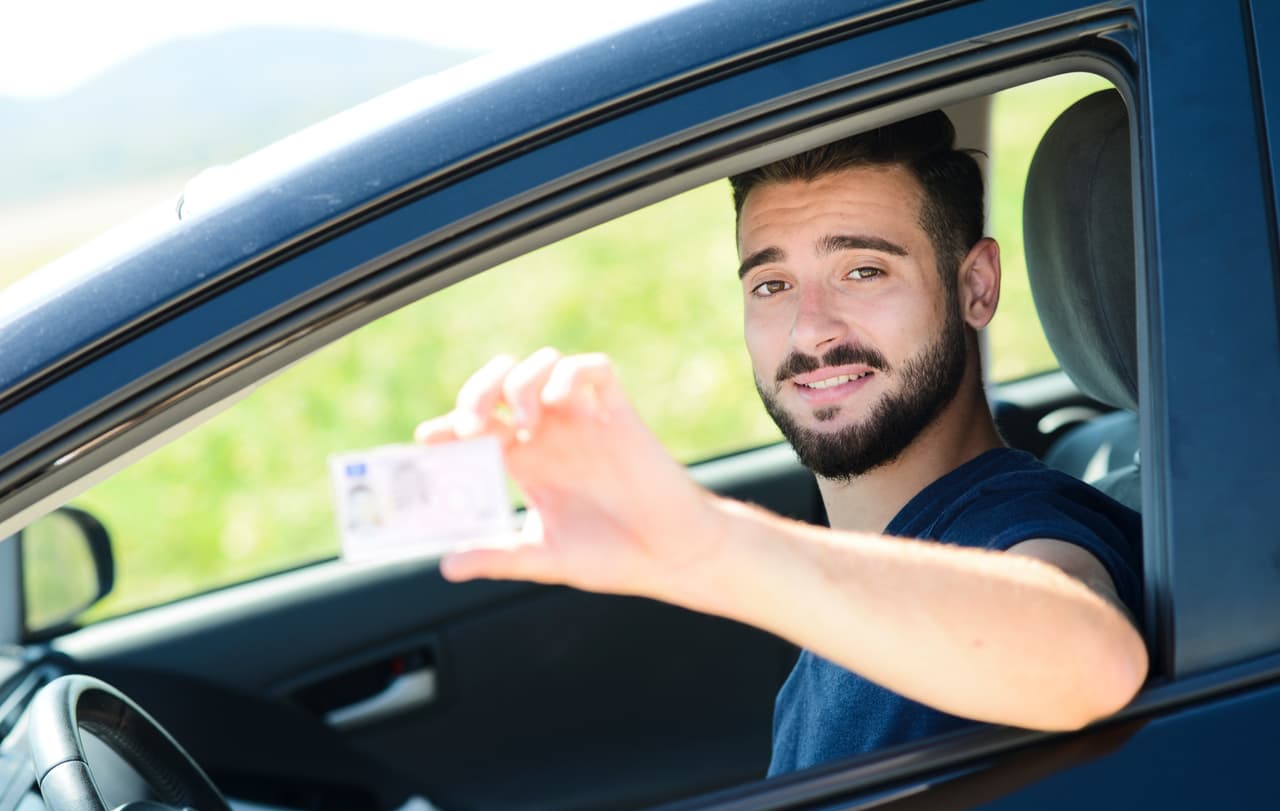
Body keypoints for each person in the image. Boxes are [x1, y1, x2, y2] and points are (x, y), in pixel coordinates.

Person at [413, 110, 1147, 775]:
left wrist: (708, 545)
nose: (808, 331)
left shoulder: (1025, 527)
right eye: (771, 285)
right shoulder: (862, 596)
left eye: (863, 271)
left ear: (976, 287)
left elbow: (1091, 657)